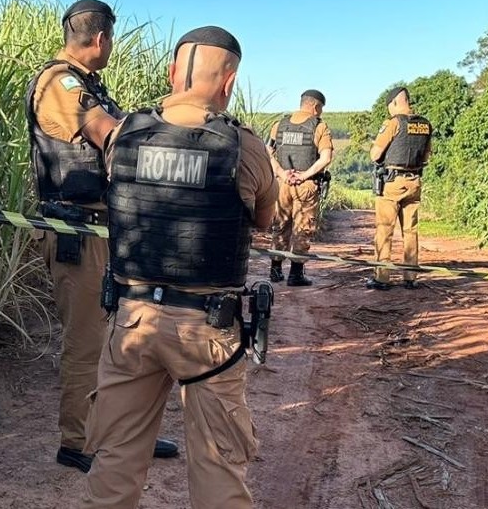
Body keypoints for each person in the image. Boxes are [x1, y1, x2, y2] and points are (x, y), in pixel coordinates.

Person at [80, 26, 278, 509]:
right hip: (206, 330)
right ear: (229, 82)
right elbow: (268, 219)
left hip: (131, 321)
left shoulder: (125, 133)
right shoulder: (245, 148)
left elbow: (93, 132)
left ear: (172, 73)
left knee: (115, 459)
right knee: (218, 470)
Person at [25, 0, 177, 472]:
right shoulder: (59, 83)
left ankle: (121, 432)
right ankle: (79, 441)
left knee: (125, 338)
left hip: (105, 231)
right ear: (102, 39)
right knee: (88, 341)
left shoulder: (88, 84)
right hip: (77, 231)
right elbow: (107, 133)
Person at [367, 86, 433, 290]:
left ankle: (382, 277)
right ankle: (410, 277)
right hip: (415, 181)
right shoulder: (425, 124)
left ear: (395, 102)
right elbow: (427, 156)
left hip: (393, 183)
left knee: (385, 229)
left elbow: (375, 155)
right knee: (410, 231)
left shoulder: (393, 123)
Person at [267, 89, 333, 286]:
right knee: (303, 227)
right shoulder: (319, 126)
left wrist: (281, 172)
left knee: (280, 224)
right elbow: (326, 158)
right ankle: (296, 274)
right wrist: (305, 175)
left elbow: (268, 151)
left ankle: (275, 270)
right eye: (320, 109)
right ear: (315, 107)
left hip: (283, 183)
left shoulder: (279, 125)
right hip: (305, 185)